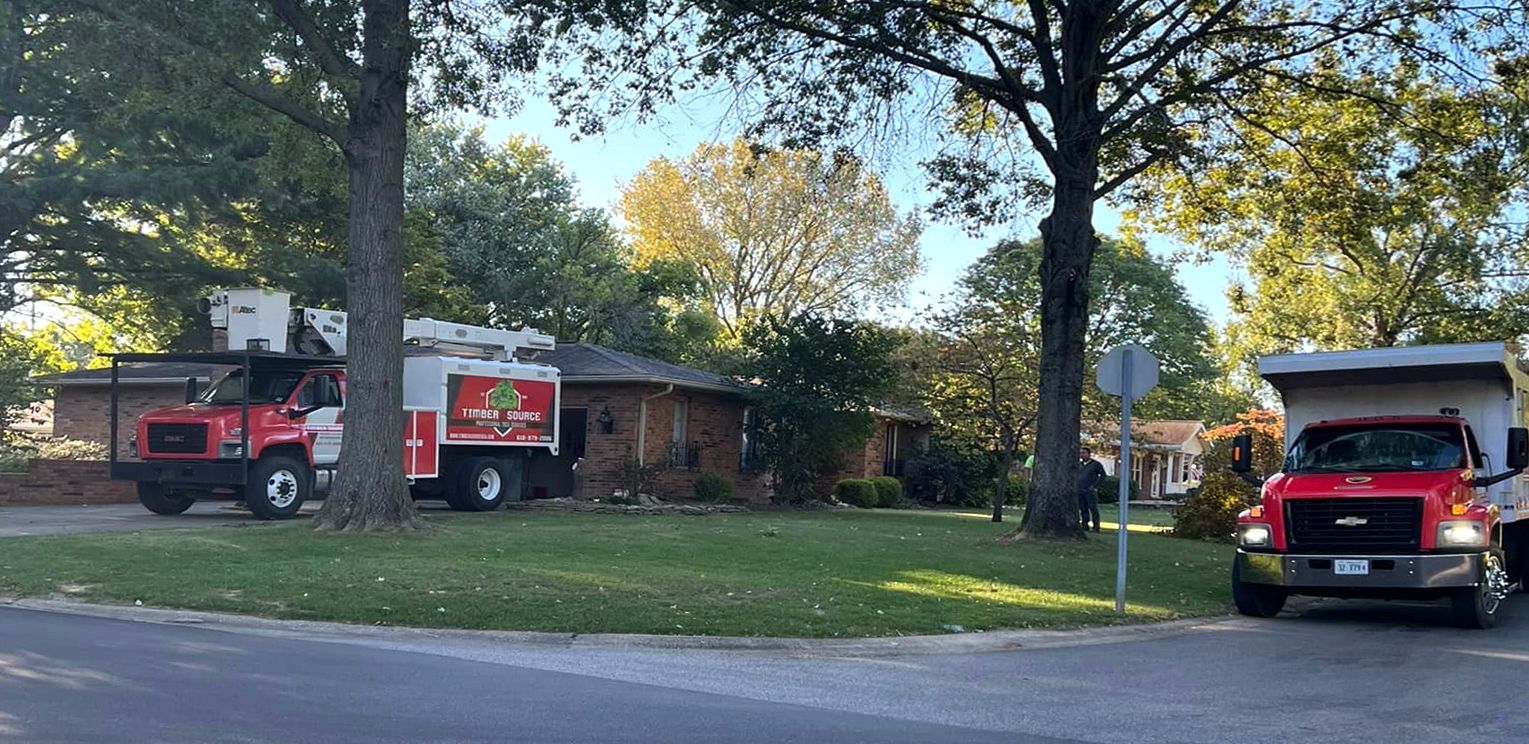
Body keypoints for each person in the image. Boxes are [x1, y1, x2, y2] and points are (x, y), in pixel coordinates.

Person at [1077, 446, 1106, 533]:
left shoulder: (1096, 464)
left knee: (1093, 508)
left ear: (1089, 454)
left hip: (1090, 490)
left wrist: (1095, 485)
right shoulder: (1080, 465)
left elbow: (1103, 476)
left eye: (1083, 453)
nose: (1081, 455)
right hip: (1080, 490)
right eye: (1080, 453)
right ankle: (1084, 525)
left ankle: (1096, 527)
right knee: (1083, 509)